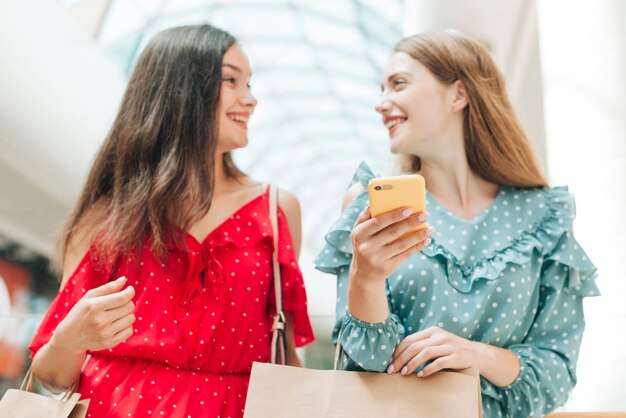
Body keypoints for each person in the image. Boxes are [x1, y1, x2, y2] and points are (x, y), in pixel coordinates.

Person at [29, 24, 314, 418]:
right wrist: (71, 338)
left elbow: (284, 356)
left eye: (249, 84)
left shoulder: (275, 210)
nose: (250, 100)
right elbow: (51, 376)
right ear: (180, 88)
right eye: (231, 80)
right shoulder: (108, 215)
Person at [315, 30, 598, 418]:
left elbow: (557, 373)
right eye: (381, 89)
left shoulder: (544, 215)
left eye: (398, 84)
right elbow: (364, 367)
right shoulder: (367, 207)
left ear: (459, 94)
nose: (381, 104)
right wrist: (366, 278)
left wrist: (473, 354)